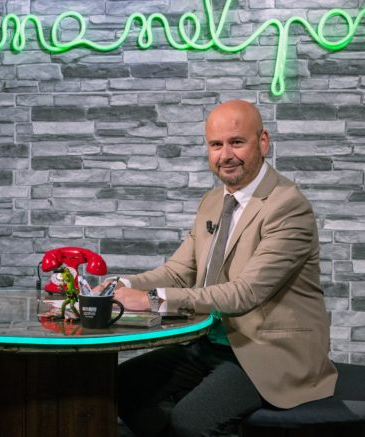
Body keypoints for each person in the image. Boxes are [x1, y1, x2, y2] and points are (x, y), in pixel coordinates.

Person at [98, 100, 337, 437]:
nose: (226, 155)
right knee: (117, 386)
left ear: (263, 142)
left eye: (237, 142)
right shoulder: (212, 201)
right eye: (216, 145)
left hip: (266, 351)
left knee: (190, 421)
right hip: (210, 343)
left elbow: (246, 293)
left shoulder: (288, 206)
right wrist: (121, 283)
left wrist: (151, 299)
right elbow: (179, 270)